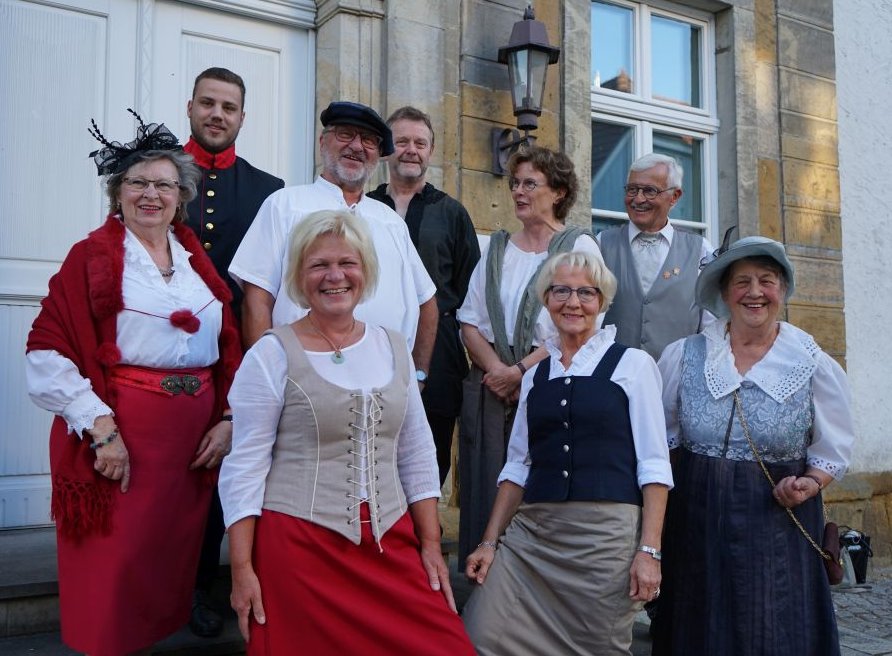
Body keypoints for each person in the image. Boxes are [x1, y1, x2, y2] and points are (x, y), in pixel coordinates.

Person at [25, 112, 241, 656]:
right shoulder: (92, 258)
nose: (151, 195)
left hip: (189, 449)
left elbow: (229, 350)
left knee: (161, 565)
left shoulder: (197, 264)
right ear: (117, 193)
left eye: (163, 184)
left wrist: (229, 420)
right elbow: (47, 349)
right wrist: (101, 431)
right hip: (123, 441)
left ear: (181, 195)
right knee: (113, 568)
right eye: (137, 183)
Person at [219, 209, 474, 654]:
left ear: (365, 271)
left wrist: (430, 544)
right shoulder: (271, 355)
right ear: (299, 275)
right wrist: (242, 568)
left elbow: (415, 452)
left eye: (347, 263)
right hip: (299, 547)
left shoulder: (394, 346)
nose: (334, 276)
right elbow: (244, 467)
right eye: (319, 265)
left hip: (390, 541)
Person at [462, 250, 672, 655]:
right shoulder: (536, 374)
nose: (572, 302)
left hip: (604, 540)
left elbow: (654, 466)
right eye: (560, 290)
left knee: (595, 648)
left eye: (585, 293)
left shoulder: (634, 365)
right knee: (480, 635)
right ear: (546, 299)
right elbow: (518, 466)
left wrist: (649, 551)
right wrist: (489, 542)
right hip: (533, 536)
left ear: (602, 302)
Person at [652, 236, 855, 655]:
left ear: (782, 290)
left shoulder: (810, 362)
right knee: (697, 627)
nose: (755, 292)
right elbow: (660, 440)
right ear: (725, 293)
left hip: (777, 526)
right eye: (742, 282)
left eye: (767, 280)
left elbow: (832, 450)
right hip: (695, 521)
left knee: (774, 629)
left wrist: (809, 484)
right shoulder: (684, 355)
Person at [456, 146, 602, 562]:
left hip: (552, 386)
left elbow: (584, 326)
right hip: (491, 388)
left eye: (530, 184)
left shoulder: (579, 247)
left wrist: (520, 371)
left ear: (557, 192)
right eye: (515, 183)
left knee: (539, 485)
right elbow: (469, 321)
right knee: (487, 484)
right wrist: (498, 371)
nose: (519, 192)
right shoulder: (497, 249)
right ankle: (484, 581)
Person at [183, 66, 284, 638]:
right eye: (208, 104)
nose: (218, 115)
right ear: (191, 108)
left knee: (226, 476)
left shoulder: (268, 191)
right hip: (166, 354)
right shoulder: (157, 178)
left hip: (237, 354)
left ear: (243, 117)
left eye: (229, 107)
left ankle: (203, 588)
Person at [228, 101, 438, 368]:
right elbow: (258, 295)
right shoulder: (284, 205)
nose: (357, 146)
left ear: (378, 155)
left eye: (369, 141)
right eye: (345, 134)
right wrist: (266, 374)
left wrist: (418, 375)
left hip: (384, 380)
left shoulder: (391, 222)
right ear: (322, 142)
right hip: (302, 374)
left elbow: (427, 302)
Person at [367, 106, 480, 485]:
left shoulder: (452, 213)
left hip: (441, 352)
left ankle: (424, 538)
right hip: (369, 342)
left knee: (429, 452)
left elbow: (470, 289)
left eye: (420, 143)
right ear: (386, 149)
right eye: (401, 141)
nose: (411, 150)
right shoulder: (362, 208)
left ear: (431, 151)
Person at [597, 153, 714, 361]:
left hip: (677, 380)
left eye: (650, 191)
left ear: (675, 196)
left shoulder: (701, 250)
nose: (638, 199)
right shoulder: (601, 244)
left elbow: (712, 326)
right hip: (612, 379)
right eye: (632, 189)